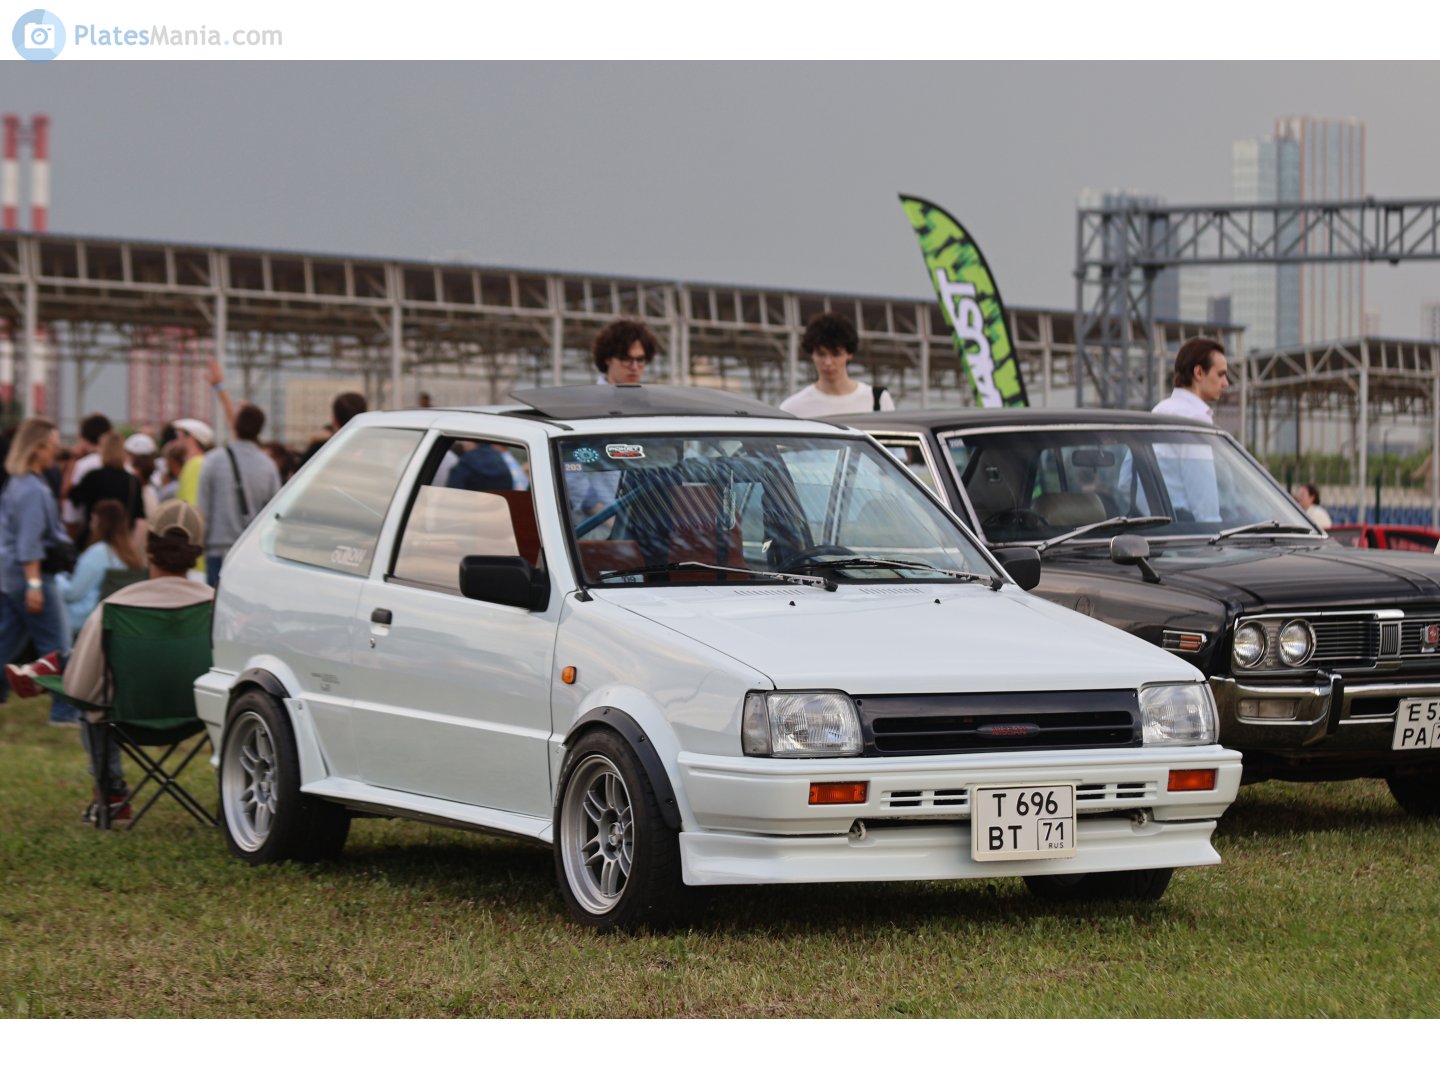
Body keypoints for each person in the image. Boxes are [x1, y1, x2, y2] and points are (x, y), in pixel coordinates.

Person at [6, 500, 214, 822]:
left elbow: (81, 688)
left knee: (93, 702)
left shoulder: (114, 609)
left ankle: (112, 793)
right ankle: (231, 795)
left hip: (126, 720)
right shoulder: (218, 607)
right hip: (199, 717)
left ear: (148, 547)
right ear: (198, 551)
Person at [0, 417, 82, 727]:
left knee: (6, 641)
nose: (57, 452)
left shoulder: (17, 483)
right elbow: (29, 543)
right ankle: (64, 712)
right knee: (59, 646)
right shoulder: (33, 490)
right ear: (37, 449)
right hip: (31, 577)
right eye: (53, 446)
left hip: (10, 576)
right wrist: (34, 585)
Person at [197, 403, 281, 587]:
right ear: (260, 430)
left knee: (216, 606)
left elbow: (202, 510)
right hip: (250, 553)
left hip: (217, 549)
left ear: (234, 425)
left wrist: (198, 544)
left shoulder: (212, 461)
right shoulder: (268, 466)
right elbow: (274, 514)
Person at [780, 311, 895, 418]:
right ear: (812, 354)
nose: (828, 362)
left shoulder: (878, 401)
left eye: (836, 354)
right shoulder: (792, 409)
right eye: (821, 354)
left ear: (849, 353)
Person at [56, 498, 145, 632]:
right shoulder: (132, 556)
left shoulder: (98, 552)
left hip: (84, 619)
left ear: (98, 521)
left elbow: (72, 593)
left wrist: (55, 578)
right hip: (115, 621)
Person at [65, 431, 147, 547]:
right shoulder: (133, 481)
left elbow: (73, 498)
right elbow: (139, 516)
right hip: (122, 542)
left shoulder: (93, 477)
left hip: (93, 539)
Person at [1153, 337, 1230, 422]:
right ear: (1199, 373)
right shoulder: (1198, 417)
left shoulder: (1158, 410)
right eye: (1220, 375)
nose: (1225, 383)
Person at [593, 318, 660, 386]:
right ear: (608, 359)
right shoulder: (589, 396)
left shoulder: (652, 396)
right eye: (626, 359)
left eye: (640, 359)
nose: (634, 367)